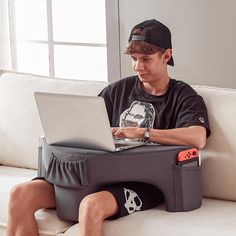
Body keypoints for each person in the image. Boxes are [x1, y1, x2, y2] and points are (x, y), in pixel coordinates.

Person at [7, 19, 211, 236]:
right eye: (134, 59)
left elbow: (197, 138)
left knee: (91, 206)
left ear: (166, 56)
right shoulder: (117, 90)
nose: (138, 67)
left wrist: (143, 133)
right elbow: (87, 128)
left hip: (143, 183)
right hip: (95, 175)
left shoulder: (184, 96)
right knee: (20, 194)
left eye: (146, 59)